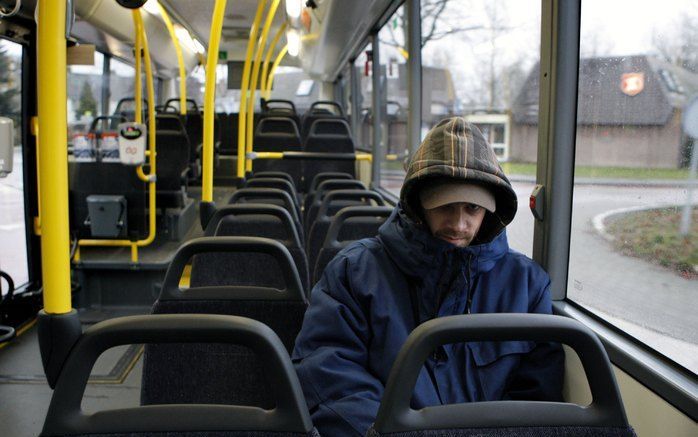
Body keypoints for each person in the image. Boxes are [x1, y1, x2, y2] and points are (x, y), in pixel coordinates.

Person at [292, 117, 564, 436]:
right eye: (445, 206)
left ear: (489, 212)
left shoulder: (527, 285)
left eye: (472, 210)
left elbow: (537, 398)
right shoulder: (355, 271)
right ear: (418, 205)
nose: (459, 224)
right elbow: (326, 373)